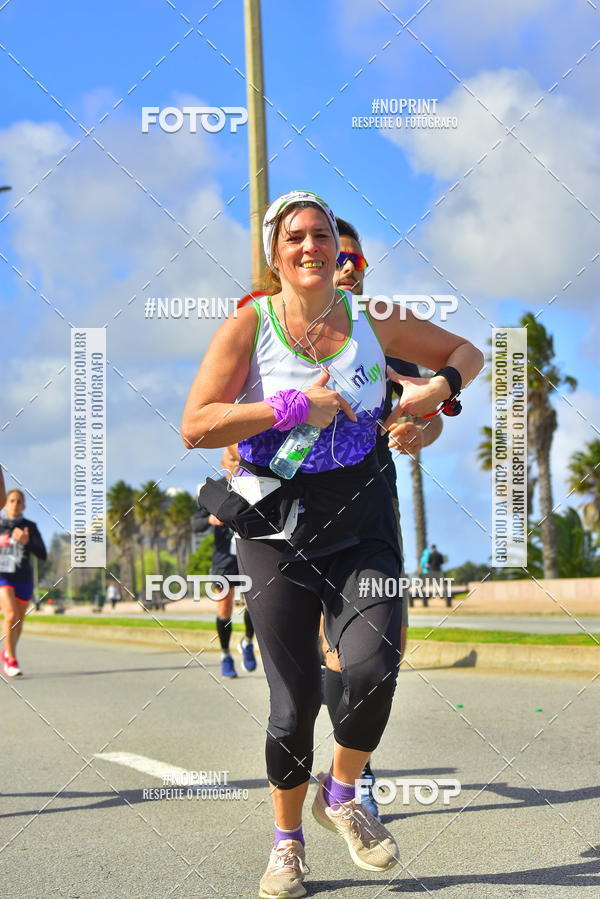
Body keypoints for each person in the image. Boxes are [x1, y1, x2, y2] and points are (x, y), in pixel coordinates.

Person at [181, 189, 483, 898]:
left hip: (363, 516)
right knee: (292, 706)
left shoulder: (373, 320)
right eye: (296, 238)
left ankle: (341, 793)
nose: (311, 247)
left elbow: (462, 354)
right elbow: (197, 424)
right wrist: (291, 406)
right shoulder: (248, 325)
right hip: (277, 527)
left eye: (321, 236)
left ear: (339, 251)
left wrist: (434, 395)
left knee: (375, 665)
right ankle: (286, 845)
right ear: (273, 254)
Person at [321, 216, 444, 819]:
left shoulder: (386, 332)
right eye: (334, 256)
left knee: (373, 651)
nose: (344, 268)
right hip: (296, 515)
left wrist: (420, 424)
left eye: (355, 262)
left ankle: (353, 771)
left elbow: (434, 411)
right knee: (332, 651)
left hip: (370, 507)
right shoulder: (282, 326)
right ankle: (344, 772)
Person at [196, 447, 257, 678]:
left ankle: (248, 642)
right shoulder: (216, 489)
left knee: (254, 605)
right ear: (223, 461)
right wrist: (211, 519)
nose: (235, 463)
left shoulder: (253, 485)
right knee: (224, 607)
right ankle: (225, 655)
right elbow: (195, 523)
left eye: (239, 460)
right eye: (232, 459)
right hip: (224, 558)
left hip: (249, 554)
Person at [0, 488, 47, 677]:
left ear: (24, 506)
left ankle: (6, 651)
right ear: (5, 503)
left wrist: (27, 541)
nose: (15, 504)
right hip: (3, 576)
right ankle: (11, 659)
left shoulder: (30, 526)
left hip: (23, 577)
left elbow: (42, 554)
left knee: (18, 620)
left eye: (19, 501)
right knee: (10, 615)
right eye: (12, 500)